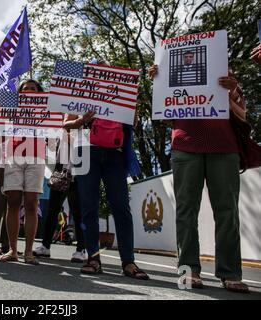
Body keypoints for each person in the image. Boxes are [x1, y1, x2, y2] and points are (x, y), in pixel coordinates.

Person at [149, 64, 250, 293]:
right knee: (186, 210)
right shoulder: (170, 75)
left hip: (224, 146)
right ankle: (188, 270)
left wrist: (233, 90)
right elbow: (164, 116)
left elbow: (243, 114)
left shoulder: (224, 71)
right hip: (185, 145)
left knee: (227, 212)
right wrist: (159, 83)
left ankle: (230, 273)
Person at [63, 60, 149, 279]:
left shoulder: (120, 92)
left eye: (105, 70)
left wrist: (132, 105)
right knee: (88, 207)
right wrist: (83, 120)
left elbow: (134, 125)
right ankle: (93, 258)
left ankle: (128, 262)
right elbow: (66, 123)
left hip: (114, 153)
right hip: (85, 151)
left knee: (121, 206)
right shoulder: (80, 92)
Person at [0, 79, 47, 265]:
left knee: (32, 203)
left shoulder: (47, 108)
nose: (28, 91)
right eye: (25, 89)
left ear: (40, 92)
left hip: (36, 157)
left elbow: (56, 124)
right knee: (13, 202)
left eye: (33, 88)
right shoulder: (11, 106)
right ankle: (12, 249)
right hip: (13, 156)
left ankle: (28, 252)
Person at [33, 139, 86, 263]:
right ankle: (45, 246)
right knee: (52, 210)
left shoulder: (85, 125)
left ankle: (81, 249)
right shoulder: (61, 127)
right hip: (61, 169)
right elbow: (53, 146)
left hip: (79, 168)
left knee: (78, 212)